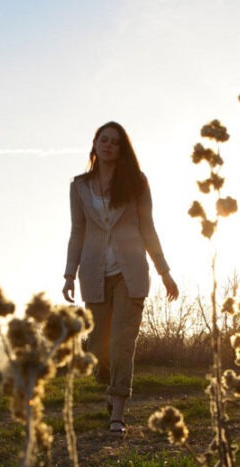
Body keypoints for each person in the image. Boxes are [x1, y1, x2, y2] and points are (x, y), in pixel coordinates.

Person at [62, 121, 179, 434]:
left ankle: (118, 412)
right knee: (98, 345)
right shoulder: (79, 186)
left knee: (121, 344)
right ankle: (110, 384)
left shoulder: (136, 182)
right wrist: (69, 274)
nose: (109, 145)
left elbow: (148, 228)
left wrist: (164, 270)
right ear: (95, 144)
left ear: (121, 148)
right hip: (93, 274)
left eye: (115, 141)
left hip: (131, 274)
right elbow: (77, 232)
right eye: (104, 139)